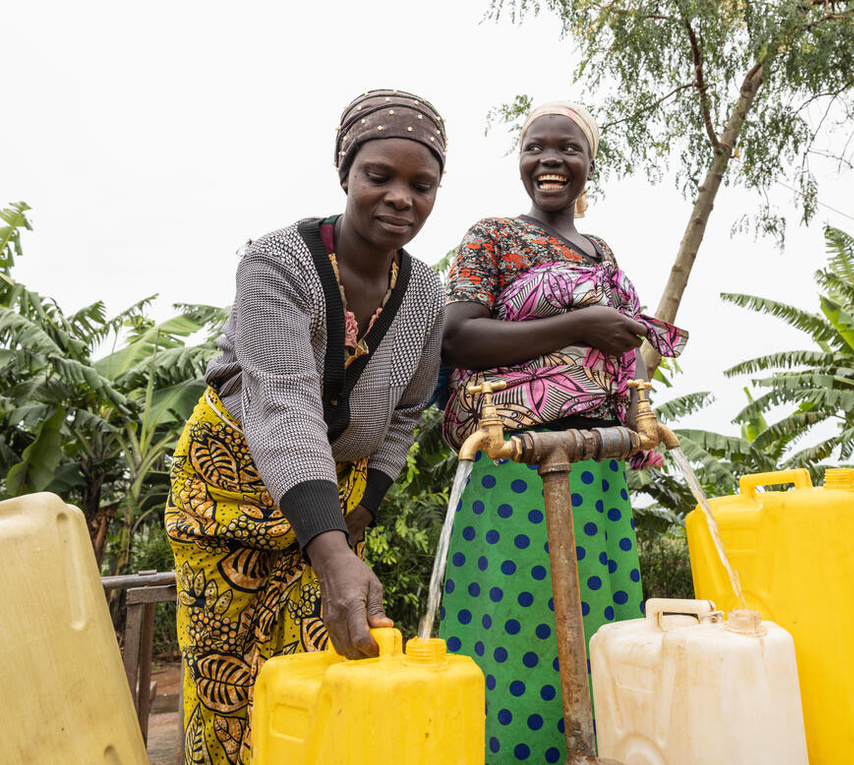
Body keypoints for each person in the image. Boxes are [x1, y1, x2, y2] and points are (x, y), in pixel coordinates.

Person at [165, 89, 446, 765]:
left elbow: (406, 414)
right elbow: (285, 406)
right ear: (346, 171)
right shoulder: (278, 264)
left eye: (422, 184)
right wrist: (332, 546)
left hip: (334, 503)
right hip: (228, 489)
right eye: (380, 176)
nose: (400, 198)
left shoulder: (427, 293)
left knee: (321, 676)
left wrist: (359, 517)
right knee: (228, 677)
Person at [438, 101, 686, 765]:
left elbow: (615, 351)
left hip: (595, 462)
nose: (551, 159)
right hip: (516, 456)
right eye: (536, 148)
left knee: (605, 620)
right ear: (521, 162)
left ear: (589, 163)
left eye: (568, 148)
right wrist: (578, 326)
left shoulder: (600, 250)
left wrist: (636, 422)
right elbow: (457, 334)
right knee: (521, 623)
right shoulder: (491, 236)